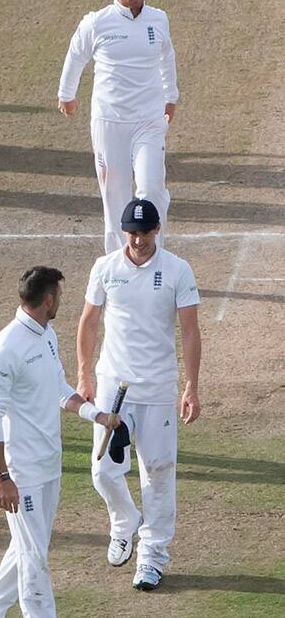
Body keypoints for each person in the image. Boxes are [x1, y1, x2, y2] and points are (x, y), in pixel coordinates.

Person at [0, 266, 121, 618]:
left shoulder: (46, 336)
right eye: (59, 296)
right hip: (21, 474)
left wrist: (97, 415)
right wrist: (1, 478)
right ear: (49, 299)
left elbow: (59, 390)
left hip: (50, 467)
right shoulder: (4, 350)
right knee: (34, 560)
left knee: (28, 547)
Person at [76, 198, 202, 591]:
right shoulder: (105, 268)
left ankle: (152, 557)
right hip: (113, 387)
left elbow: (190, 331)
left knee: (159, 473)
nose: (138, 240)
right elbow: (89, 321)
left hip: (158, 389)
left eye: (145, 233)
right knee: (102, 470)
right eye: (132, 232)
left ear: (157, 231)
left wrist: (192, 386)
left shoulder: (177, 270)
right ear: (123, 231)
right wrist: (84, 375)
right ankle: (124, 522)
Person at [57, 0, 179, 253]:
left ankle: (155, 255)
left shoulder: (158, 19)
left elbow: (167, 57)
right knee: (115, 197)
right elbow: (76, 56)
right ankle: (116, 260)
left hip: (148, 121)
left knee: (151, 189)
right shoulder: (97, 23)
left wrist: (171, 97)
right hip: (109, 123)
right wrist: (66, 94)